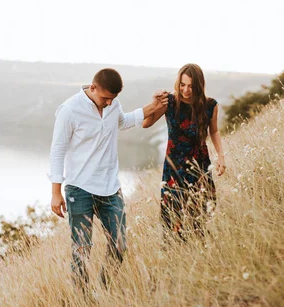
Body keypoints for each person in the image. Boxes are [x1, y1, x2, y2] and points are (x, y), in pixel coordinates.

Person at [48, 68, 167, 287]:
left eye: (113, 99)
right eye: (105, 98)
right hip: (79, 188)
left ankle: (104, 290)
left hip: (110, 189)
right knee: (81, 251)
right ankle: (83, 303)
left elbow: (123, 121)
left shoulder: (113, 105)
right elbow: (57, 151)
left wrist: (154, 106)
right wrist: (56, 192)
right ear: (92, 88)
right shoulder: (69, 110)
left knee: (119, 245)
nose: (109, 103)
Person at [142, 63, 226, 238]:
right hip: (174, 169)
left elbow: (214, 131)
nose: (186, 90)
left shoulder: (210, 105)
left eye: (191, 86)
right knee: (172, 219)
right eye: (182, 85)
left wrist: (221, 156)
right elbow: (146, 123)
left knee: (200, 217)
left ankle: (198, 253)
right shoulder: (170, 102)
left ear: (199, 85)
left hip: (199, 167)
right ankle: (174, 255)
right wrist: (154, 103)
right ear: (178, 83)